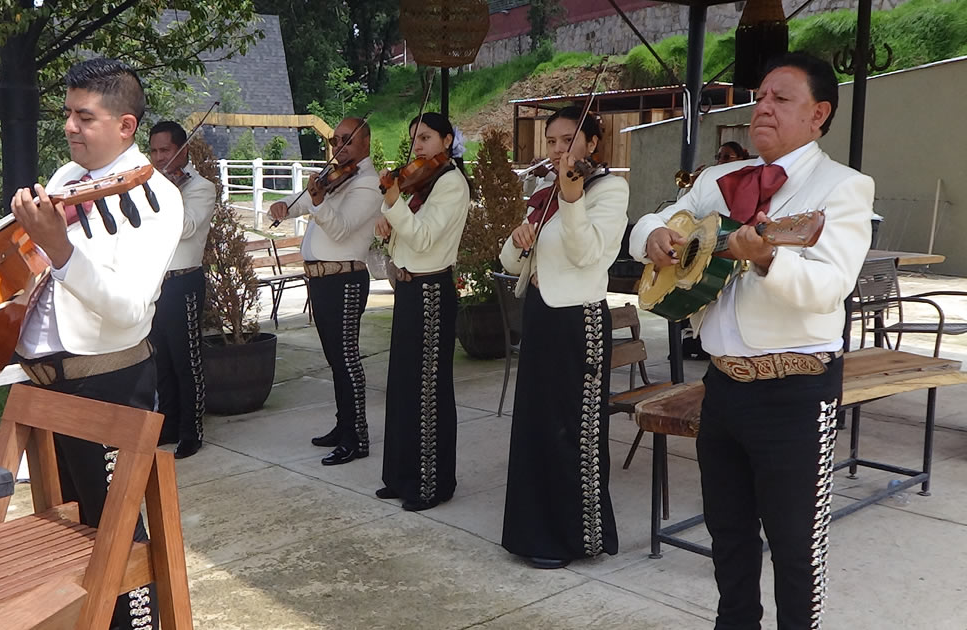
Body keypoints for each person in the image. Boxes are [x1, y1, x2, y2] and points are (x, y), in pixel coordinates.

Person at [0, 58, 183, 630]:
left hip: (107, 382)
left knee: (118, 538)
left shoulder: (158, 200)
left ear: (126, 126)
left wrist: (64, 251)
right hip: (44, 383)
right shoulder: (64, 180)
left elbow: (130, 309)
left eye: (85, 116)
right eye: (68, 114)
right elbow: (8, 245)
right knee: (68, 532)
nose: (71, 127)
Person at [629, 52, 873, 629]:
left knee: (795, 549)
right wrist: (656, 233)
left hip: (796, 389)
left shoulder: (842, 188)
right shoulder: (719, 182)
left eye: (780, 99)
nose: (762, 107)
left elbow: (829, 286)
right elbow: (650, 221)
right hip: (723, 387)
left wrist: (768, 260)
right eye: (760, 96)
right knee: (729, 537)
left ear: (819, 114)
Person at [498, 107, 628, 569]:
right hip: (541, 315)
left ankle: (577, 538)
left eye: (568, 139)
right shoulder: (545, 190)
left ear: (591, 143)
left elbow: (587, 253)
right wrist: (517, 240)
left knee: (573, 432)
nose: (557, 149)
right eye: (551, 140)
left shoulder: (609, 189)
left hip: (578, 321)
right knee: (535, 428)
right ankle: (533, 534)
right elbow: (513, 262)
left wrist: (572, 201)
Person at [268, 117, 382, 466]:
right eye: (335, 141)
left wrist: (318, 202)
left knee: (346, 359)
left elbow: (342, 228)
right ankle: (342, 424)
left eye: (346, 140)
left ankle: (356, 436)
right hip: (321, 279)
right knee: (335, 360)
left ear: (365, 142)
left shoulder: (368, 183)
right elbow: (304, 201)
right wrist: (285, 205)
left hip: (345, 279)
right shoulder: (336, 178)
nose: (338, 147)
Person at [374, 112, 471, 512]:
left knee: (428, 391)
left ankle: (431, 483)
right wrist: (390, 225)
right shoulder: (424, 182)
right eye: (415, 138)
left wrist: (394, 205)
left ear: (447, 140)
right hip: (411, 290)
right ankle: (401, 475)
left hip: (432, 291)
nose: (418, 146)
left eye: (427, 137)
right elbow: (411, 232)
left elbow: (428, 238)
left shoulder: (451, 184)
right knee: (403, 386)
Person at [148, 120, 217, 458]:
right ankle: (170, 424)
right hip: (157, 283)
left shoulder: (200, 187)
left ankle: (193, 431)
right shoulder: (153, 187)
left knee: (187, 360)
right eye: (155, 151)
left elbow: (187, 227)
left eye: (165, 150)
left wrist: (165, 192)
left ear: (182, 150)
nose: (159, 158)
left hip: (185, 281)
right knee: (161, 361)